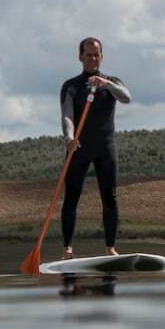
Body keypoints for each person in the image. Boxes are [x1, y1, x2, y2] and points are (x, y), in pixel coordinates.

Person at [59, 37, 131, 260]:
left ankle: (110, 248)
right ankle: (68, 250)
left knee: (110, 197)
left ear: (101, 57)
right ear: (80, 57)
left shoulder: (112, 82)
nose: (92, 58)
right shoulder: (71, 86)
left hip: (105, 148)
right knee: (71, 197)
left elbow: (127, 98)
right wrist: (69, 138)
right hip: (78, 147)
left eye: (96, 54)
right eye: (88, 54)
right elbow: (67, 116)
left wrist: (107, 85)